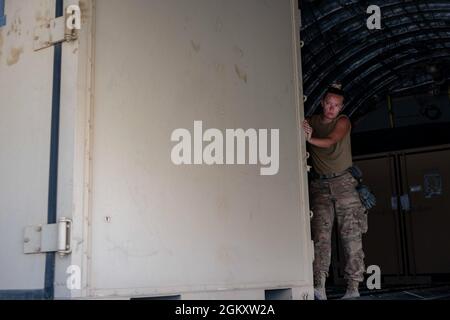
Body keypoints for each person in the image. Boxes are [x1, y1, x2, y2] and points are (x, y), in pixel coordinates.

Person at [303, 83, 367, 300]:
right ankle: (319, 285)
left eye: (336, 105)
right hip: (319, 186)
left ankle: (353, 287)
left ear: (341, 108)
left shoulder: (343, 121)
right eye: (328, 104)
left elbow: (332, 140)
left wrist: (309, 138)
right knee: (320, 236)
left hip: (344, 184)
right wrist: (305, 132)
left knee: (351, 235)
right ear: (322, 103)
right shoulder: (310, 122)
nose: (331, 108)